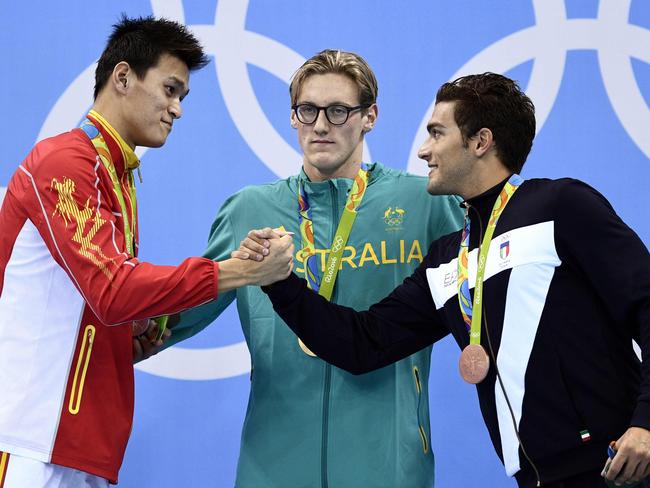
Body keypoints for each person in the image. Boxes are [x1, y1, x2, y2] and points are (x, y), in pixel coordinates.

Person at [258, 72, 650, 487]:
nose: (424, 150)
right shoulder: (448, 259)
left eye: (436, 134)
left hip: (620, 467)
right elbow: (363, 344)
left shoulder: (560, 206)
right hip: (537, 480)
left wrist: (646, 423)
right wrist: (279, 282)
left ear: (480, 142)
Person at [0, 15, 293, 487]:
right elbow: (113, 290)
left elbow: (95, 302)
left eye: (183, 97)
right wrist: (240, 270)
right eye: (170, 90)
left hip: (77, 440)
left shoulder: (118, 172)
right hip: (32, 437)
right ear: (122, 77)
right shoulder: (65, 161)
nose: (177, 109)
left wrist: (132, 332)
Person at [167, 49, 463, 487]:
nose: (321, 125)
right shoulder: (250, 209)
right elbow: (183, 313)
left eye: (339, 111)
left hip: (388, 468)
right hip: (274, 467)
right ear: (292, 117)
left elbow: (490, 316)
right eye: (307, 110)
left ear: (370, 117)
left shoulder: (426, 205)